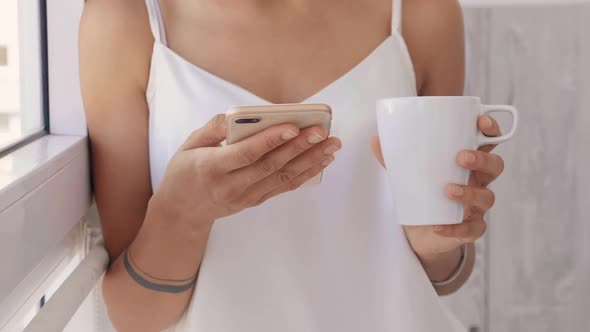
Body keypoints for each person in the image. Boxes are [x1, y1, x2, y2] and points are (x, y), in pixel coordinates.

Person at [80, 0, 505, 331]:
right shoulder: (125, 20)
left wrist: (441, 237)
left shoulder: (420, 13)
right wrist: (180, 214)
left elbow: (445, 275)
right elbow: (135, 318)